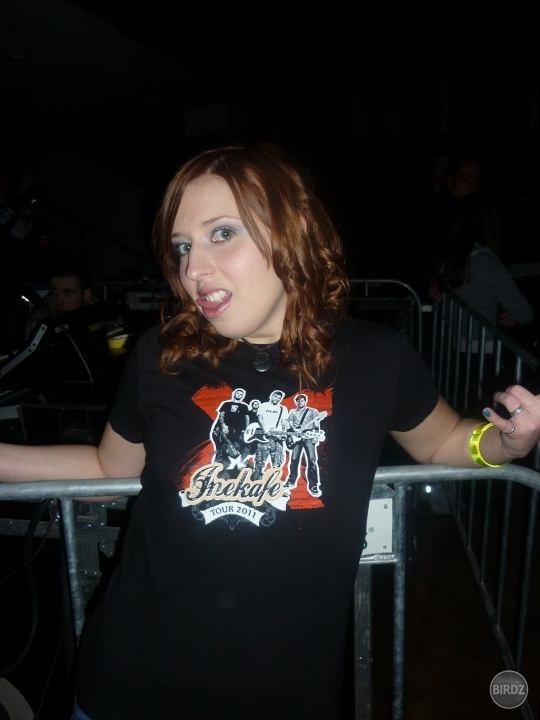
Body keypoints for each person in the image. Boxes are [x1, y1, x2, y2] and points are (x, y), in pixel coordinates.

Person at [1, 142, 540, 720]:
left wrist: (503, 443)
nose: (193, 269)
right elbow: (108, 469)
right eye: (182, 246)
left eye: (222, 233)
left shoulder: (376, 359)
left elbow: (442, 440)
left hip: (286, 695)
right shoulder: (163, 356)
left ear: (293, 231)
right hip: (131, 688)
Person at [428, 191, 535, 349]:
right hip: (482, 347)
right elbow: (525, 313)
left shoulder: (450, 255)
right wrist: (519, 310)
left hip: (454, 342)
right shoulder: (484, 261)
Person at [23, 252, 99, 340]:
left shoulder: (101, 313)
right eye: (54, 292)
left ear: (86, 294)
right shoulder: (40, 323)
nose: (59, 301)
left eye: (68, 292)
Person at [284, 392, 325, 496]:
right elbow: (290, 423)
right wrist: (295, 430)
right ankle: (291, 481)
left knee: (312, 460)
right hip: (296, 437)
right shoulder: (292, 411)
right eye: (298, 401)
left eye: (302, 401)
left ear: (305, 401)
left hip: (309, 437)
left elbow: (316, 424)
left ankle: (313, 485)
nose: (300, 402)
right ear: (296, 402)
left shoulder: (312, 411)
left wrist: (315, 437)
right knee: (294, 460)